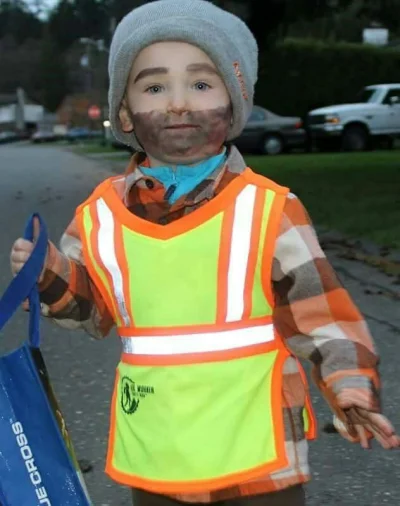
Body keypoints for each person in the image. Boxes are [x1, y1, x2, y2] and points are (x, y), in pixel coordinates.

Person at [9, 1, 399, 505]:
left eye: (200, 84)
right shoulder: (99, 216)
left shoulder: (270, 209)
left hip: (258, 460)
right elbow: (93, 310)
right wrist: (49, 276)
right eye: (154, 87)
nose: (177, 104)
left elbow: (321, 316)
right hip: (157, 453)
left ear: (234, 104)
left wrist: (349, 387)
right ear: (124, 112)